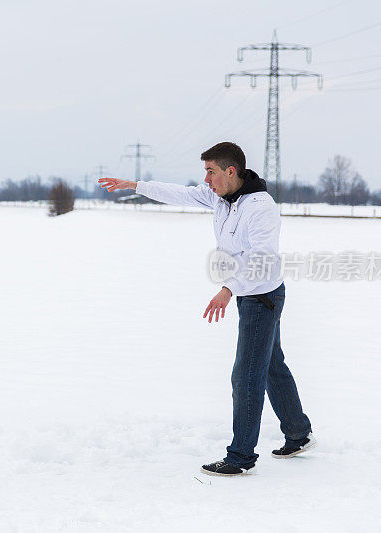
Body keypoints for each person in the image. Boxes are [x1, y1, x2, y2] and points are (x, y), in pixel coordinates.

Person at [98, 142, 314, 477]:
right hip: (251, 294)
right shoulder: (220, 197)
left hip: (261, 298)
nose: (207, 179)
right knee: (271, 364)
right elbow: (180, 194)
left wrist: (228, 290)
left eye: (211, 172)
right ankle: (298, 433)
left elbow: (262, 259)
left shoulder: (261, 207)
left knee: (246, 376)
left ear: (231, 171)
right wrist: (135, 186)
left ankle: (241, 456)